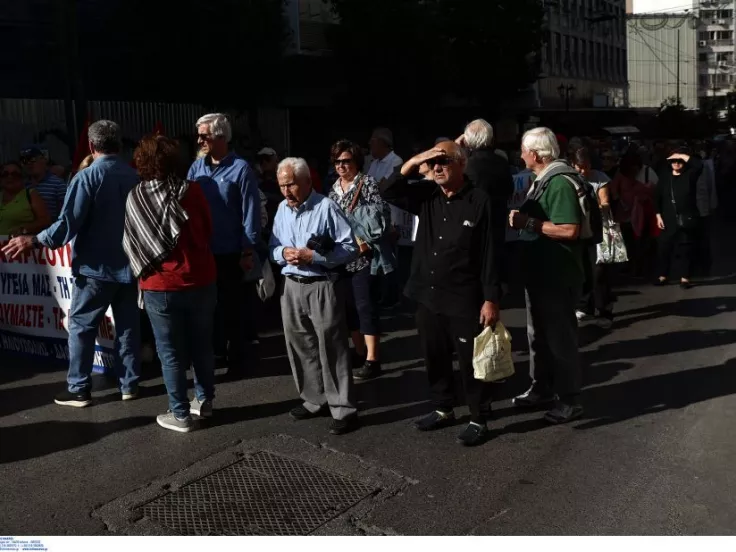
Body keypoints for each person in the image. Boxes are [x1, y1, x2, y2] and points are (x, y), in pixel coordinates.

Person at [2, 120, 141, 407]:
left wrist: (35, 240)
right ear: (118, 144)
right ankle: (130, 384)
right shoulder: (134, 176)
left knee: (81, 325)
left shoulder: (87, 177)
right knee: (128, 327)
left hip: (95, 268)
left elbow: (67, 223)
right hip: (130, 266)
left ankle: (78, 387)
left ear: (91, 146)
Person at [380, 141, 501, 447]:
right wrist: (418, 157)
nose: (437, 167)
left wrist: (491, 298)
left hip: (463, 295)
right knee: (434, 356)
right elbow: (388, 190)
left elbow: (490, 252)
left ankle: (478, 416)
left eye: (444, 161)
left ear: (462, 164)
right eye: (433, 162)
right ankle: (443, 407)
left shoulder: (479, 200)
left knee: (471, 361)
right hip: (428, 293)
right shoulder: (427, 194)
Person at [123, 134, 217, 433]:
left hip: (160, 285)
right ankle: (204, 402)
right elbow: (206, 231)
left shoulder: (136, 196)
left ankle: (180, 414)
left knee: (170, 352)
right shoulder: (193, 191)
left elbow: (134, 242)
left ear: (142, 162)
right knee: (202, 345)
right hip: (200, 279)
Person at [269, 157, 360, 435]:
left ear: (308, 181)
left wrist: (315, 256)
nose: (286, 191)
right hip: (291, 286)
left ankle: (342, 406)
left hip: (321, 284)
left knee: (331, 347)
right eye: (282, 185)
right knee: (300, 345)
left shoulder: (326, 207)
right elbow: (272, 246)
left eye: (292, 184)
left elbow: (351, 248)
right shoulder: (282, 209)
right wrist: (283, 253)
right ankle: (313, 398)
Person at [509, 127, 584, 424]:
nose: (521, 154)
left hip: (556, 275)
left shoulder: (559, 183)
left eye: (524, 150)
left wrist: (528, 222)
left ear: (537, 154)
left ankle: (569, 399)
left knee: (559, 339)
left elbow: (569, 229)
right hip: (541, 274)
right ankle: (541, 389)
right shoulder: (543, 180)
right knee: (538, 336)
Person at [187, 113, 261, 377]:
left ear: (220, 137)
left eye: (204, 135)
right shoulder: (196, 168)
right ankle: (215, 352)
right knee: (208, 308)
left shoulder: (241, 169)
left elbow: (250, 212)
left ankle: (237, 359)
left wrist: (248, 250)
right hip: (203, 252)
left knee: (233, 308)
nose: (199, 140)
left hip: (230, 252)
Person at [328, 140, 393, 381]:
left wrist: (355, 224)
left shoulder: (367, 184)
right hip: (340, 256)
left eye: (346, 161)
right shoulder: (332, 189)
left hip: (364, 253)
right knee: (347, 308)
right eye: (337, 161)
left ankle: (372, 359)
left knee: (365, 306)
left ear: (356, 162)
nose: (341, 166)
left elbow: (377, 215)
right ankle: (359, 351)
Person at [457, 119, 514, 284]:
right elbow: (509, 189)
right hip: (496, 220)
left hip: (471, 223)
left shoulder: (466, 165)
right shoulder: (501, 162)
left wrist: (456, 146)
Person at [571, 148, 614, 328]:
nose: (583, 171)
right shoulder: (570, 179)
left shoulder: (600, 178)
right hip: (579, 230)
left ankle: (604, 310)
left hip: (599, 229)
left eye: (586, 167)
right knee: (582, 269)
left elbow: (605, 202)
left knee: (599, 271)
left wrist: (591, 205)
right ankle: (584, 306)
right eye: (579, 167)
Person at [654, 148, 705, 289]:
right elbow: (656, 197)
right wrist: (658, 215)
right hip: (667, 219)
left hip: (686, 219)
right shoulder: (665, 178)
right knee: (664, 249)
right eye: (673, 161)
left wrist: (682, 154)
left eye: (680, 161)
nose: (676, 163)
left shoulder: (690, 175)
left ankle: (685, 278)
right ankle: (663, 275)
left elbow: (699, 165)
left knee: (685, 249)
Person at [366, 127, 404, 308]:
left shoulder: (396, 161)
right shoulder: (374, 163)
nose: (369, 146)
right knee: (377, 256)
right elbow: (368, 187)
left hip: (389, 216)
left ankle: (392, 296)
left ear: (382, 143)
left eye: (372, 142)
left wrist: (374, 188)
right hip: (372, 217)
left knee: (389, 256)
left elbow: (384, 187)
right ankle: (381, 294)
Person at [0, 161, 51, 235]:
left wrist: (24, 229)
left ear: (22, 178)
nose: (10, 177)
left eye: (15, 174)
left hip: (19, 244)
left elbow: (45, 221)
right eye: (5, 174)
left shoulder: (31, 195)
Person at [20, 146, 67, 221]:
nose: (29, 163)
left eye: (32, 159)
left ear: (43, 160)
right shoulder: (22, 185)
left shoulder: (58, 184)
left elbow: (66, 212)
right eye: (24, 161)